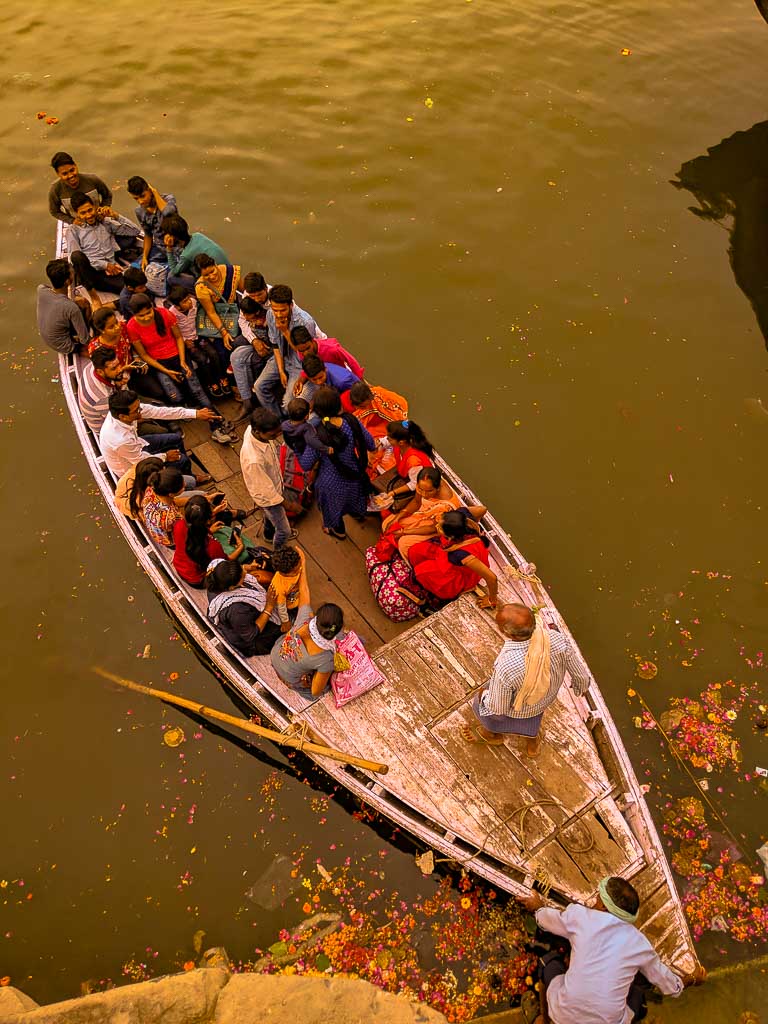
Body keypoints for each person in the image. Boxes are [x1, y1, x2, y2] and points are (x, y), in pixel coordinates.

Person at [523, 877, 706, 1024]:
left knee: (549, 962)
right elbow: (671, 987)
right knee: (637, 991)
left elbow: (545, 920)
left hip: (563, 1016)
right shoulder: (640, 944)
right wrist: (691, 979)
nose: (594, 902)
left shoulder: (580, 916)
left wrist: (537, 907)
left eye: (597, 899)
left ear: (603, 906)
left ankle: (543, 1019)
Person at [461, 603, 591, 756]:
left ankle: (491, 735)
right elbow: (581, 675)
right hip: (545, 699)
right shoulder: (556, 638)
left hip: (519, 708)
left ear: (509, 635)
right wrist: (580, 687)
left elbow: (498, 708)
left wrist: (483, 695)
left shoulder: (506, 666)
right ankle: (532, 746)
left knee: (481, 701)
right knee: (532, 717)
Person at [126, 294, 235, 444]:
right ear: (134, 315)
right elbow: (143, 354)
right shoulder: (132, 327)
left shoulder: (165, 314)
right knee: (174, 396)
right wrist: (167, 371)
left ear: (152, 308)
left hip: (179, 356)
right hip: (159, 364)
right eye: (141, 316)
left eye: (148, 313)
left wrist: (183, 362)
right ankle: (186, 411)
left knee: (198, 391)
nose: (146, 318)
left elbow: (178, 338)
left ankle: (216, 424)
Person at [297, 386, 375, 541]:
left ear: (318, 412)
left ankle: (338, 531)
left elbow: (306, 464)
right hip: (354, 474)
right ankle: (358, 514)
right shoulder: (351, 421)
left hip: (331, 482)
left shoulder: (317, 437)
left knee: (333, 511)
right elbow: (370, 444)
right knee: (355, 500)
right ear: (338, 405)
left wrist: (300, 449)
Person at [99, 388, 217, 480]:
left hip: (138, 444)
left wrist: (195, 413)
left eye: (139, 407)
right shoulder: (120, 440)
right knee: (182, 460)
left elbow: (160, 412)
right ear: (123, 416)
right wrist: (165, 456)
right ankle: (184, 478)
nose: (141, 412)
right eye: (136, 411)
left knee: (176, 438)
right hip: (134, 467)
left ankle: (184, 474)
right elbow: (141, 461)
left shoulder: (127, 411)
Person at [255, 284, 327, 416]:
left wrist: (284, 331)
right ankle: (277, 420)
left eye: (282, 310)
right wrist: (281, 370)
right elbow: (274, 344)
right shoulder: (271, 315)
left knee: (288, 404)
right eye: (275, 309)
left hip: (299, 364)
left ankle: (287, 419)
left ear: (291, 305)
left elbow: (307, 353)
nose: (278, 314)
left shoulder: (305, 322)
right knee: (259, 387)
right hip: (280, 357)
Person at [407, 509, 498, 609]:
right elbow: (482, 508)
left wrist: (491, 600)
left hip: (463, 575)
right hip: (455, 557)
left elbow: (492, 577)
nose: (437, 526)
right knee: (415, 552)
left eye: (440, 528)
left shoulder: (461, 555)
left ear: (450, 537)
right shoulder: (463, 520)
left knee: (420, 571)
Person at [270, 584, 346, 698]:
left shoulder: (305, 617)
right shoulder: (327, 658)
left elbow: (304, 590)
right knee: (323, 686)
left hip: (275, 655)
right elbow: (315, 692)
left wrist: (303, 566)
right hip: (290, 679)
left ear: (316, 618)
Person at [239, 408, 298, 548]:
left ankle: (268, 533)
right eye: (274, 434)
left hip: (273, 483)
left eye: (279, 431)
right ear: (258, 432)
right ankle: (278, 551)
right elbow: (266, 491)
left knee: (270, 517)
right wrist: (289, 505)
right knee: (284, 530)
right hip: (268, 498)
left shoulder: (253, 430)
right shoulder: (254, 459)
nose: (278, 435)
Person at [380, 467, 465, 561]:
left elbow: (432, 528)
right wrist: (398, 517)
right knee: (388, 524)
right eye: (421, 490)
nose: (424, 494)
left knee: (404, 543)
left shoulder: (446, 505)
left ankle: (410, 563)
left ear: (438, 488)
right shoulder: (423, 485)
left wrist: (403, 532)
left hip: (435, 527)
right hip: (423, 514)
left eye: (429, 491)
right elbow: (416, 502)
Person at [67, 192, 141, 297]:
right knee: (76, 255)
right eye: (83, 213)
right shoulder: (73, 230)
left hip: (113, 269)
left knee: (136, 288)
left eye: (90, 210)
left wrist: (116, 216)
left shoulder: (105, 222)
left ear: (95, 207)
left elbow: (135, 231)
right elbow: (74, 259)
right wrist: (105, 265)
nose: (88, 215)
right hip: (93, 273)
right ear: (77, 214)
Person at [206, 559, 283, 657]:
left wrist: (247, 566)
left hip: (242, 621)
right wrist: (269, 606)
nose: (246, 572)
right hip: (251, 638)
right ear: (232, 588)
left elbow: (238, 569)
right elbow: (251, 634)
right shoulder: (236, 610)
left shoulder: (217, 574)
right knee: (282, 627)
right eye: (242, 575)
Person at [87, 306, 166, 402]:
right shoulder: (95, 348)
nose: (117, 327)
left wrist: (136, 357)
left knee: (161, 387)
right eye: (111, 327)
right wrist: (119, 378)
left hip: (134, 368)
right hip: (120, 379)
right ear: (101, 330)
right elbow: (104, 372)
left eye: (116, 322)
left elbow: (132, 344)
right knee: (155, 393)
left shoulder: (123, 328)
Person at [166, 285, 228, 398]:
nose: (189, 302)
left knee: (214, 354)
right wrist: (184, 341)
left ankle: (221, 377)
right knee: (202, 359)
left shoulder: (194, 302)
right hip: (187, 341)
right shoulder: (171, 314)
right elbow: (173, 333)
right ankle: (211, 382)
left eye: (188, 298)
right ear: (177, 306)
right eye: (185, 302)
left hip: (199, 335)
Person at [341, 381, 409, 478]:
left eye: (363, 407)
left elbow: (402, 424)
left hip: (388, 429)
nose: (360, 409)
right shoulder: (347, 403)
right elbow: (353, 430)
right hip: (369, 431)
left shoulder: (387, 401)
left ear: (371, 399)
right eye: (358, 407)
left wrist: (383, 441)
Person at [172, 496, 244, 587]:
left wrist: (209, 530)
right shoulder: (213, 547)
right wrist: (240, 547)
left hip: (180, 567)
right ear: (207, 520)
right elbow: (226, 561)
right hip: (198, 579)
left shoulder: (178, 525)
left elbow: (192, 535)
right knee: (242, 557)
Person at [36, 258, 91, 354]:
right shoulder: (71, 308)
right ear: (67, 281)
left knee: (79, 303)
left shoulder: (41, 289)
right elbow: (85, 340)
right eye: (72, 273)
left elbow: (57, 299)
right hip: (65, 345)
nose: (73, 273)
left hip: (51, 337)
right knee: (85, 305)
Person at [161, 213, 229, 285]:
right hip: (227, 271)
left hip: (219, 282)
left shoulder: (187, 255)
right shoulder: (198, 235)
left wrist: (169, 248)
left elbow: (174, 271)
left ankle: (197, 291)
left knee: (171, 277)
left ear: (173, 237)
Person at [231, 299, 272, 415]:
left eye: (247, 314)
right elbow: (242, 322)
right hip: (256, 343)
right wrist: (254, 340)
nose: (244, 316)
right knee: (236, 356)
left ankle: (258, 399)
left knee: (255, 362)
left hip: (271, 348)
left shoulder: (268, 318)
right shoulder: (248, 314)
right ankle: (247, 401)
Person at [126, 176, 177, 268]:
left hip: (176, 247)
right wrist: (145, 257)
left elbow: (168, 212)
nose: (140, 202)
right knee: (134, 268)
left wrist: (155, 192)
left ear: (149, 190)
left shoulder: (168, 199)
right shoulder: (139, 211)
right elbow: (148, 235)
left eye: (142, 196)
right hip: (158, 248)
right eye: (136, 199)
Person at [48, 152, 112, 224]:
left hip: (99, 218)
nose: (71, 176)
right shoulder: (56, 189)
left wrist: (104, 208)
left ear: (76, 166)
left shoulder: (93, 180)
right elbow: (54, 211)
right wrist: (72, 221)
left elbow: (107, 195)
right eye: (65, 174)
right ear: (58, 174)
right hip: (79, 225)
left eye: (72, 170)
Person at [78, 346, 131, 432]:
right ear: (100, 372)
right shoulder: (102, 398)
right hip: (112, 430)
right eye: (114, 368)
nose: (120, 369)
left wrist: (118, 384)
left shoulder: (92, 366)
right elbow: (122, 421)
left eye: (119, 364)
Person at [384, 420, 434, 501]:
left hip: (420, 483)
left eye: (389, 439)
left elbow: (415, 484)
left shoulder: (413, 461)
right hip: (407, 474)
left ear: (401, 442)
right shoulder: (401, 444)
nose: (387, 439)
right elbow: (386, 440)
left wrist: (394, 492)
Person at [291, 325, 364, 380]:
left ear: (312, 340)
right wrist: (301, 380)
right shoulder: (301, 353)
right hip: (320, 379)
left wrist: (359, 379)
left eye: (308, 348)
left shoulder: (332, 349)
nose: (306, 353)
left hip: (339, 377)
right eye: (301, 351)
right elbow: (307, 367)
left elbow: (350, 361)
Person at [141, 465, 186, 546]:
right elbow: (181, 533)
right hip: (170, 539)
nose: (185, 485)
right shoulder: (171, 517)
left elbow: (173, 502)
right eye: (182, 487)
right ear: (171, 494)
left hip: (157, 528)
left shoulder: (150, 490)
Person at [269, 545, 306, 632]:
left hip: (299, 597)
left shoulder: (296, 562)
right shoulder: (278, 587)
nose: (300, 569)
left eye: (300, 565)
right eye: (296, 571)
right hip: (291, 607)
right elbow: (281, 608)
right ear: (284, 573)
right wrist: (286, 622)